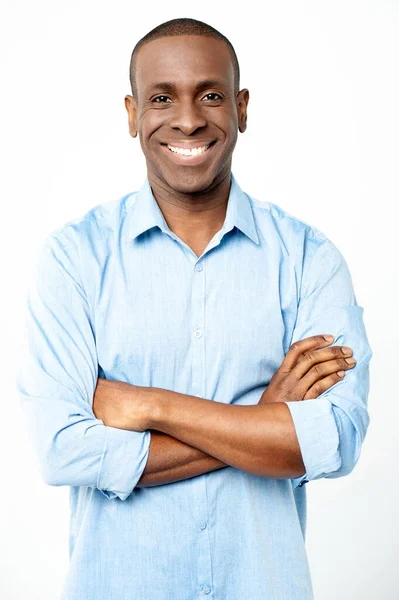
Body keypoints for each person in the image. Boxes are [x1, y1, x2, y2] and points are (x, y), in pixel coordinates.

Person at [16, 17, 372, 600]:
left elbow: (334, 438)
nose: (187, 119)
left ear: (242, 108)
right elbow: (62, 450)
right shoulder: (74, 259)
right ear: (133, 114)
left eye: (210, 95)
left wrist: (147, 404)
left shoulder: (310, 259)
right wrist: (263, 421)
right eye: (162, 98)